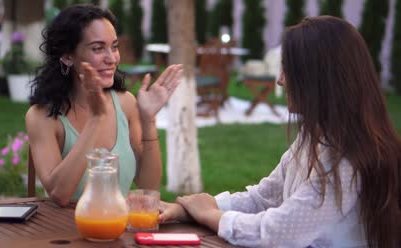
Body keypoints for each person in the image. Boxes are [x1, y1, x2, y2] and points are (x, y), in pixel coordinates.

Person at [159, 16, 401, 248]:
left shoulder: (347, 160)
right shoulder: (316, 139)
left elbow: (278, 233)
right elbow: (263, 198)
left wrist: (210, 215)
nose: (280, 80)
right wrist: (190, 209)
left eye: (288, 70)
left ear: (318, 78)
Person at [26, 4, 182, 207]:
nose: (112, 58)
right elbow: (59, 194)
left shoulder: (126, 104)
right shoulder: (42, 116)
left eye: (114, 47)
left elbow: (149, 187)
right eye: (97, 48)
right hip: (64, 233)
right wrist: (96, 119)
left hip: (120, 230)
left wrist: (149, 119)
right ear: (66, 56)